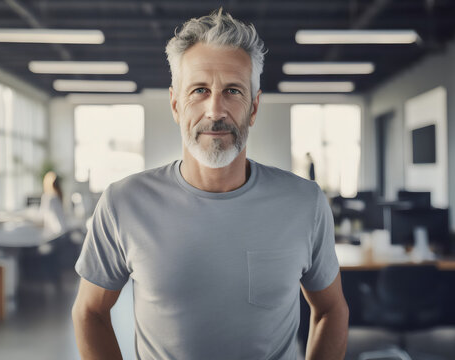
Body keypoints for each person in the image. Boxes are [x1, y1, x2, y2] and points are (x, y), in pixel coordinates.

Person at [72, 8, 349, 360]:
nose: (215, 110)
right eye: (199, 90)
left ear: (254, 107)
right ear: (175, 104)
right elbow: (89, 312)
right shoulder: (122, 203)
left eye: (233, 91)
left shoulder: (305, 203)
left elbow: (331, 310)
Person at [39, 171, 67, 236]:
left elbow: (41, 217)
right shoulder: (58, 197)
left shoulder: (49, 198)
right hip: (61, 232)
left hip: (54, 235)